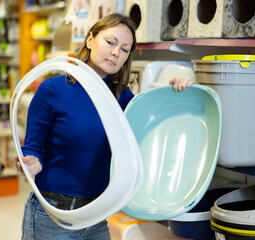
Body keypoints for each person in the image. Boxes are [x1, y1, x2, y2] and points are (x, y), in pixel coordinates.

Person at [15, 13, 192, 240]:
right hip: (53, 215)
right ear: (90, 40)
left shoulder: (122, 97)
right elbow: (33, 148)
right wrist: (31, 162)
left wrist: (174, 91)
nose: (116, 52)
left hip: (97, 214)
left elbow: (152, 122)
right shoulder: (52, 90)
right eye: (110, 42)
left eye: (125, 49)